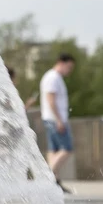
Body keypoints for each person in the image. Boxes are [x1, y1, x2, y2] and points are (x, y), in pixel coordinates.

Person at [40, 54, 75, 193]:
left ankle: (54, 180)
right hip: (54, 119)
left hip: (51, 118)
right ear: (61, 62)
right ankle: (47, 177)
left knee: (53, 150)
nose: (70, 70)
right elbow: (51, 99)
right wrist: (59, 120)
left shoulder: (54, 77)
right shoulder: (53, 77)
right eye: (69, 67)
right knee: (67, 148)